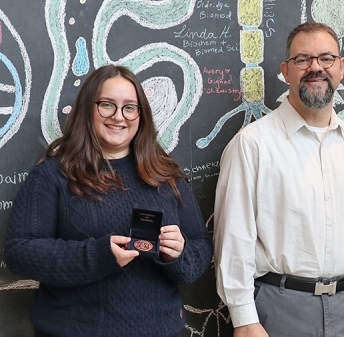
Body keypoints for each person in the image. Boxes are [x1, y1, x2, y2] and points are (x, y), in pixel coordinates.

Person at [5, 64, 213, 337]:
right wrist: (98, 256)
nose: (119, 116)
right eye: (107, 105)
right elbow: (20, 252)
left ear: (141, 115)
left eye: (130, 107)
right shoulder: (53, 175)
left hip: (159, 330)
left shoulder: (166, 175)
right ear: (87, 108)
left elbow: (200, 248)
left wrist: (178, 253)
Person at [214, 22, 344, 337]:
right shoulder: (252, 144)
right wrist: (244, 318)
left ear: (341, 67)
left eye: (326, 59)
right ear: (286, 71)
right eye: (303, 60)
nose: (315, 68)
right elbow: (233, 239)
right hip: (279, 312)